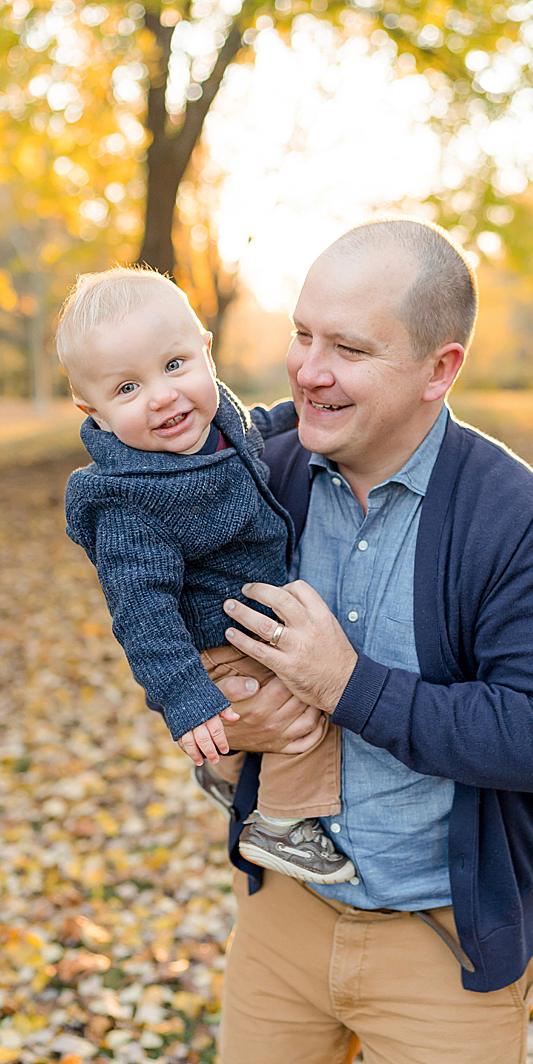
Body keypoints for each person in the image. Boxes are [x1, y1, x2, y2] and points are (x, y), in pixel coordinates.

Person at [205, 218, 533, 1064]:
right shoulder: (260, 478)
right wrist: (223, 736)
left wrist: (350, 686)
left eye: (348, 348)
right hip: (279, 919)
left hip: (441, 941)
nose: (308, 369)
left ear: (439, 369)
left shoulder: (522, 525)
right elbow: (169, 634)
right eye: (303, 335)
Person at [56, 267, 354, 886]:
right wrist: (187, 697)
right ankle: (283, 823)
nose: (163, 396)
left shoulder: (215, 426)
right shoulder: (132, 501)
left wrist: (295, 419)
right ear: (97, 414)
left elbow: (253, 431)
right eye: (128, 388)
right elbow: (142, 613)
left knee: (299, 687)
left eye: (173, 365)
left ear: (206, 354)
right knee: (304, 706)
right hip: (216, 644)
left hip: (248, 618)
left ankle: (232, 779)